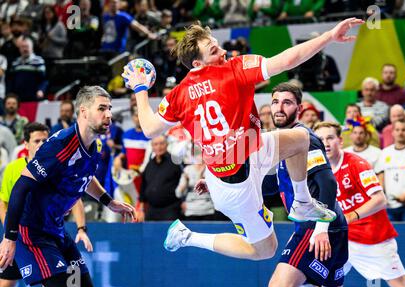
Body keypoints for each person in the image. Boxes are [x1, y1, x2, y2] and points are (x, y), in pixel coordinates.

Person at [122, 18, 363, 261]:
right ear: (197, 63)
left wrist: (141, 89)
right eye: (214, 50)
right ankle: (187, 236)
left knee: (302, 138)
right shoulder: (234, 69)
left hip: (247, 152)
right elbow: (288, 60)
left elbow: (150, 128)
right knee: (265, 251)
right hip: (236, 188)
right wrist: (330, 36)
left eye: (218, 45)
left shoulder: (178, 94)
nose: (224, 51)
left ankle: (302, 202)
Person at [0, 86, 135, 287]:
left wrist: (109, 202)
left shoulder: (95, 145)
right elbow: (20, 187)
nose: (109, 114)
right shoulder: (60, 145)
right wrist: (9, 238)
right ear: (83, 111)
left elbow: (85, 178)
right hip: (32, 232)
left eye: (109, 108)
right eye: (102, 108)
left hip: (56, 230)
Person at [309, 121, 405, 287]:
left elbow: (380, 199)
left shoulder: (357, 163)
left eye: (330, 138)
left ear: (340, 141)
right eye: (321, 139)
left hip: (371, 238)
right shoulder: (316, 168)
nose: (326, 143)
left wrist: (350, 216)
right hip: (340, 238)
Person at [267, 83, 348, 287]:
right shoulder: (285, 140)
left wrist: (321, 228)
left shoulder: (304, 139)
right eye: (275, 102)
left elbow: (328, 184)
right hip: (333, 227)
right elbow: (274, 186)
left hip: (317, 226)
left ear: (299, 109)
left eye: (287, 102)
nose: (279, 108)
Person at [0, 122, 93, 287]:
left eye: (45, 139)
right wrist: (9, 234)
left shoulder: (57, 164)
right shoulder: (13, 169)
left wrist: (81, 228)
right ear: (25, 144)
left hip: (48, 234)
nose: (42, 144)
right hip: (20, 235)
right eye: (37, 140)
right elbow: (4, 202)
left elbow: (75, 197)